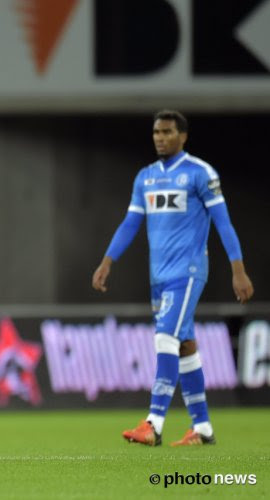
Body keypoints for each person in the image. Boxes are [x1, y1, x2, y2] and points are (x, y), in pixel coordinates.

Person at [92, 109, 254, 447]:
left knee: (165, 337)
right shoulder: (145, 177)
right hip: (159, 276)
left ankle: (153, 423)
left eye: (167, 132)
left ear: (183, 136)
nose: (160, 138)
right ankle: (203, 428)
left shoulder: (200, 174)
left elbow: (223, 223)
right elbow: (130, 224)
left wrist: (238, 269)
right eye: (156, 132)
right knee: (184, 346)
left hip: (188, 271)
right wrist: (108, 261)